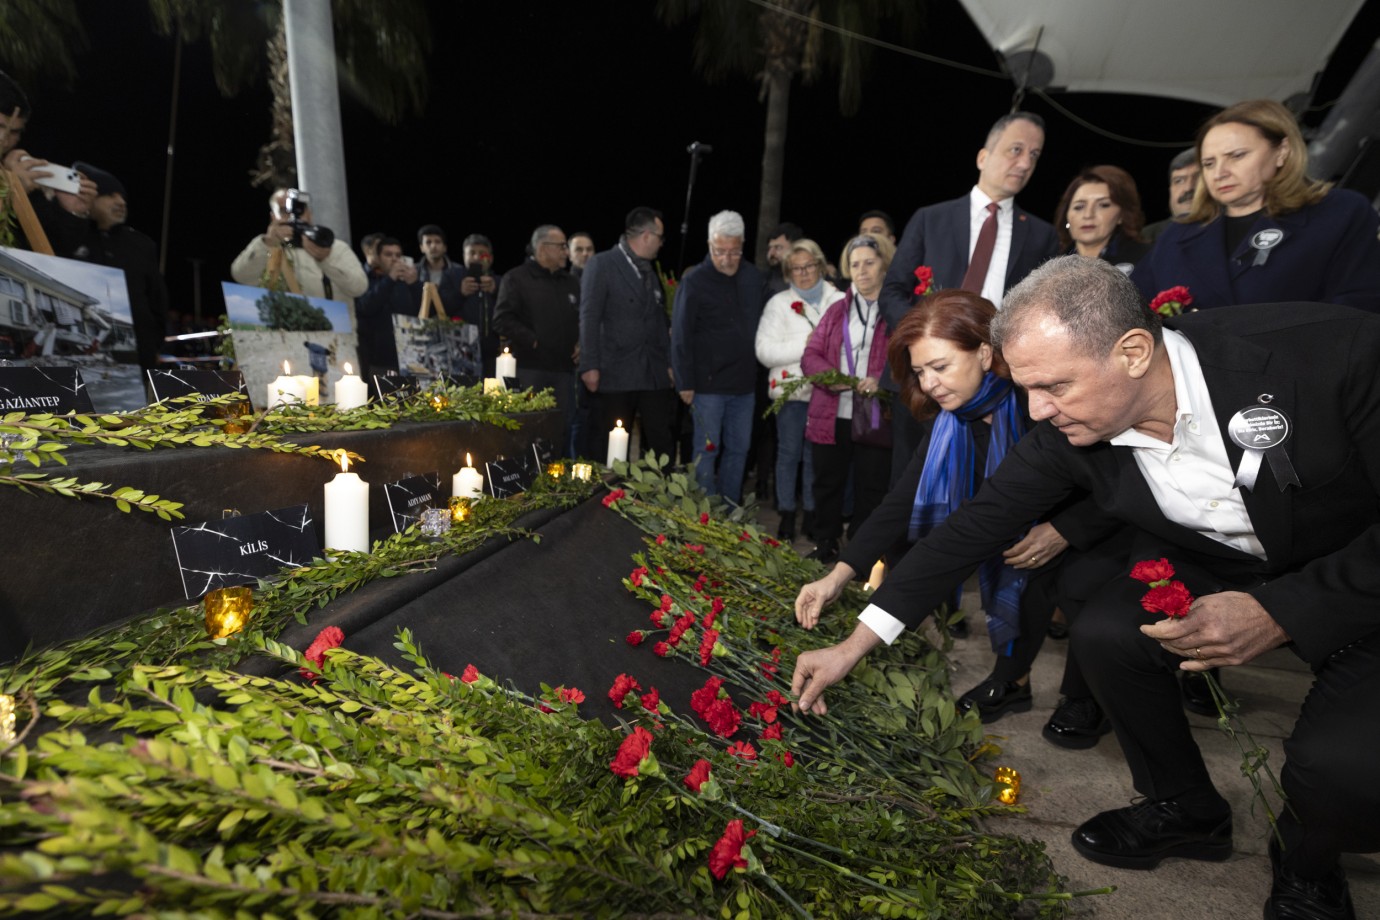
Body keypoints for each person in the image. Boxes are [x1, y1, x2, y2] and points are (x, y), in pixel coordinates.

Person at [792, 254, 1380, 920]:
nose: (1037, 412)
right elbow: (969, 531)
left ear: (1132, 352)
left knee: (1342, 770)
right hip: (1227, 559)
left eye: (1054, 387)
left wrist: (1280, 611)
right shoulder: (1065, 432)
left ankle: (1307, 863)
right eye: (1026, 388)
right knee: (1104, 631)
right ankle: (1185, 805)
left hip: (1361, 574)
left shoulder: (1334, 353)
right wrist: (853, 644)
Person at [794, 287, 1119, 734]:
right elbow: (900, 502)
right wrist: (839, 573)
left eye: (941, 367)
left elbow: (1118, 480)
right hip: (1010, 529)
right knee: (1014, 564)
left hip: (1093, 521)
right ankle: (1013, 680)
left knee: (1082, 586)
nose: (929, 384)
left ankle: (1085, 697)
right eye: (920, 371)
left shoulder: (1040, 404)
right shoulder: (952, 419)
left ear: (986, 353)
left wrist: (1062, 529)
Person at [879, 112, 1060, 487]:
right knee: (908, 487)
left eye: (1035, 155)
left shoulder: (1042, 236)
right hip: (924, 385)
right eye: (1015, 150)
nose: (1025, 162)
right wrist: (926, 341)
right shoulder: (931, 219)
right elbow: (892, 291)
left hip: (998, 391)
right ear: (983, 157)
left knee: (983, 491)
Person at [1133, 98, 1380, 312]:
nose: (1219, 173)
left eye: (1237, 156)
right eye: (1209, 163)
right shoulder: (1178, 235)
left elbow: (1359, 306)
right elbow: (1132, 308)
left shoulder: (1338, 213)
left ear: (1282, 151)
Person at [800, 234, 894, 564]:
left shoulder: (896, 311)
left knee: (871, 484)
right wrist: (834, 379)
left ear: (884, 264)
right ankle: (826, 542)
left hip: (874, 412)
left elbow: (907, 357)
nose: (862, 271)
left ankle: (860, 552)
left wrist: (882, 381)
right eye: (855, 265)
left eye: (869, 262)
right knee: (828, 481)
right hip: (832, 409)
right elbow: (810, 355)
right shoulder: (837, 310)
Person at [672, 210, 764, 504]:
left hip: (744, 385)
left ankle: (730, 508)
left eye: (734, 251)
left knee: (739, 449)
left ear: (742, 245)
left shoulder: (753, 278)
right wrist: (685, 381)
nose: (726, 258)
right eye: (719, 251)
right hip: (707, 385)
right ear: (710, 245)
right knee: (706, 451)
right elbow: (681, 335)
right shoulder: (695, 281)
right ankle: (706, 513)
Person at [578, 206, 677, 464]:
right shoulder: (602, 264)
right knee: (610, 443)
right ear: (646, 235)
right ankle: (604, 499)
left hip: (652, 373)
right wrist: (589, 365)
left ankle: (658, 499)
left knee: (660, 441)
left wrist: (669, 363)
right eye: (659, 238)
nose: (661, 244)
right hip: (615, 372)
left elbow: (657, 321)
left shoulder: (649, 272)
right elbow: (589, 316)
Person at [756, 239, 837, 541]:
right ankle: (787, 513)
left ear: (819, 264)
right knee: (788, 454)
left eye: (808, 266)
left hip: (828, 393)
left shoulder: (838, 299)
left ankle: (813, 514)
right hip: (790, 394)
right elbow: (763, 351)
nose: (803, 273)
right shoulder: (778, 303)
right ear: (788, 272)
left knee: (817, 456)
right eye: (796, 269)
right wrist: (804, 346)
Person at [68, 162, 169, 376]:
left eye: (122, 196)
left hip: (141, 362)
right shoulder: (68, 237)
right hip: (82, 370)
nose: (120, 202)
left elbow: (157, 302)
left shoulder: (142, 245)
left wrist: (152, 345)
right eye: (110, 195)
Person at [493, 225, 581, 456]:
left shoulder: (571, 282)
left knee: (561, 429)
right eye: (562, 246)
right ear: (543, 248)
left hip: (564, 371)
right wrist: (533, 341)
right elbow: (501, 319)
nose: (566, 252)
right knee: (528, 429)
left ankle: (556, 478)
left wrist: (582, 343)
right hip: (529, 370)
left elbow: (583, 318)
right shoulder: (517, 278)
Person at [230, 188, 368, 305]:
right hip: (284, 334)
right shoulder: (265, 247)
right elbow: (241, 276)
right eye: (285, 211)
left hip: (333, 335)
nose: (293, 216)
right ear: (273, 217)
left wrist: (325, 260)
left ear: (309, 213)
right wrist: (268, 244)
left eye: (299, 209)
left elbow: (359, 288)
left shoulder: (336, 248)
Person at [1054, 165, 1153, 272]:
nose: (1088, 215)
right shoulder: (1050, 262)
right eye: (1079, 207)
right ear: (1066, 215)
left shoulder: (1147, 259)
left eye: (1103, 205)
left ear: (1121, 215)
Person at [353, 236, 418, 377]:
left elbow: (420, 312)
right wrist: (390, 279)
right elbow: (365, 307)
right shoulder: (365, 278)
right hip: (376, 360)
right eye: (388, 255)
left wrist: (414, 285)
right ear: (378, 257)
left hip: (407, 358)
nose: (394, 259)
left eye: (398, 255)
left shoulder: (406, 281)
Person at [453, 233, 503, 375]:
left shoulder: (500, 281)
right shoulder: (453, 277)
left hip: (493, 352)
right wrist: (460, 293)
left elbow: (512, 308)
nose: (476, 257)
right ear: (464, 256)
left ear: (490, 258)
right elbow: (441, 307)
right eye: (472, 253)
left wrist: (495, 290)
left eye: (482, 253)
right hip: (461, 351)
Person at [1140, 149, 1199, 243]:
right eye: (1179, 181)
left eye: (1198, 179)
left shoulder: (1227, 230)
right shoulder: (1146, 237)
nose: (1188, 188)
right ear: (1170, 189)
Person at [413, 224, 466, 318]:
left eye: (437, 242)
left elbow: (461, 303)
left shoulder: (459, 271)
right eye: (428, 242)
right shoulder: (413, 271)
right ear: (421, 247)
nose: (433, 246)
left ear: (445, 247)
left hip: (451, 324)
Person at [762, 221, 803, 298]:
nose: (771, 253)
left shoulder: (809, 279)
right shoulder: (762, 281)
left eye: (778, 248)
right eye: (769, 248)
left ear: (795, 249)